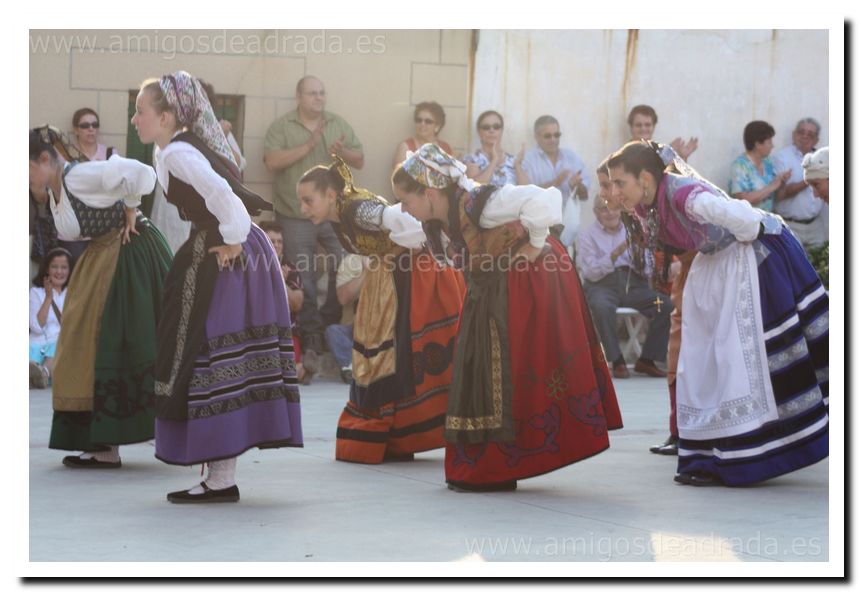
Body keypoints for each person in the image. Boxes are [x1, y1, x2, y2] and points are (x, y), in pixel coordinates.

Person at [392, 143, 622, 492]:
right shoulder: (442, 219)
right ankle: (487, 465)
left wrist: (535, 242)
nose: (404, 209)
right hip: (494, 284)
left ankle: (501, 463)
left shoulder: (479, 202)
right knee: (482, 366)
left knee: (513, 368)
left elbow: (544, 198)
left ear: (429, 193)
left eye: (406, 201)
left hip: (530, 280)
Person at [607, 140, 828, 486]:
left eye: (620, 182)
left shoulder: (686, 195)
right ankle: (705, 456)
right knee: (700, 361)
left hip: (750, 256)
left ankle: (743, 457)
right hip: (714, 262)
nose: (614, 191)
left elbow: (745, 220)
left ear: (645, 179)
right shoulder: (645, 206)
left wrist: (740, 264)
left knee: (735, 359)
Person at [133, 70, 302, 503]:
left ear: (167, 116)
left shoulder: (179, 153)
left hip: (227, 250)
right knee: (212, 354)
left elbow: (224, 196)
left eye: (140, 111)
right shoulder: (173, 149)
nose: (135, 119)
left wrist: (231, 240)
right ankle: (219, 477)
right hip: (226, 245)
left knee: (209, 352)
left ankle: (221, 480)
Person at [298, 156, 466, 464]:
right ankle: (398, 435)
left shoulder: (356, 209)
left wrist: (399, 252)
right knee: (389, 357)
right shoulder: (343, 213)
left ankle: (394, 433)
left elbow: (407, 221)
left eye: (309, 200)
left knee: (400, 355)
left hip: (414, 277)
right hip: (394, 277)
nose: (303, 209)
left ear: (331, 195)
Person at [29, 125, 172, 469]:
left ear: (44, 159)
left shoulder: (79, 176)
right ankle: (101, 443)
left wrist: (131, 207)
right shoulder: (57, 189)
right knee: (84, 343)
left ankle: (108, 445)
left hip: (128, 253)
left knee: (114, 341)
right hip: (103, 256)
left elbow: (142, 172)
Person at [264, 76, 363, 372]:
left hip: (333, 216)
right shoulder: (282, 126)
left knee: (345, 265)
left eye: (322, 93)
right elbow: (271, 161)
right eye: (312, 93)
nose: (319, 98)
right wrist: (309, 145)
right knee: (303, 275)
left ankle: (328, 323)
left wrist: (341, 152)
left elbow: (359, 159)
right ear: (299, 97)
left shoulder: (337, 123)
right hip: (296, 215)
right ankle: (311, 337)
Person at [577, 190, 673, 380]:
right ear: (596, 212)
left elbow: (648, 269)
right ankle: (617, 360)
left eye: (613, 208)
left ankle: (647, 360)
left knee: (665, 305)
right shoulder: (586, 236)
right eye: (603, 209)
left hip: (633, 285)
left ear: (620, 209)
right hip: (602, 286)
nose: (609, 213)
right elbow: (590, 272)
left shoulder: (634, 230)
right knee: (601, 307)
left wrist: (639, 257)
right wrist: (615, 253)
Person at [521, 115, 590, 247]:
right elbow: (526, 195)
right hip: (539, 230)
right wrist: (556, 182)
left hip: (568, 229)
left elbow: (584, 196)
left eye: (556, 135)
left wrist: (576, 186)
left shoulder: (572, 157)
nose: (553, 139)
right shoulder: (528, 160)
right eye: (548, 136)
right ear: (536, 136)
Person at [259, 220, 309, 383]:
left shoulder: (290, 268)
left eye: (279, 241)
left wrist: (280, 280)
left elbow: (296, 305)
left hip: (286, 332)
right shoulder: (251, 267)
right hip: (259, 332)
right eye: (272, 241)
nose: (277, 245)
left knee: (294, 373)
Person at [773, 118, 827, 248]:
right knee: (792, 261)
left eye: (810, 134)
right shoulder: (781, 157)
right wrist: (810, 179)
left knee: (821, 260)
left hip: (816, 225)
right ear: (794, 135)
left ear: (816, 140)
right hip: (790, 225)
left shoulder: (823, 158)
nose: (805, 136)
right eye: (801, 132)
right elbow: (779, 195)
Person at [29, 247, 73, 389]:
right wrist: (48, 297)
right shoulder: (36, 293)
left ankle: (44, 373)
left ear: (70, 271)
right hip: (36, 346)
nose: (59, 272)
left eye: (64, 267)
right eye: (54, 267)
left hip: (60, 349)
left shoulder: (74, 294)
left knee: (58, 346)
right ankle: (36, 376)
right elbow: (36, 327)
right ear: (47, 269)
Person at [728, 120, 791, 212]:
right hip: (747, 219)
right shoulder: (740, 166)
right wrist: (772, 186)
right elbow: (743, 199)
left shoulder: (768, 162)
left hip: (766, 218)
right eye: (769, 142)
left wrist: (781, 182)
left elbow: (777, 198)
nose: (772, 146)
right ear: (757, 144)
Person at [325, 253, 367, 384]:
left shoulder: (392, 259)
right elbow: (343, 298)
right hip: (354, 328)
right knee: (333, 331)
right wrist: (366, 272)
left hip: (382, 328)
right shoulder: (351, 261)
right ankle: (351, 367)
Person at [462, 110, 528, 186]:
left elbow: (527, 189)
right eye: (486, 127)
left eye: (496, 127)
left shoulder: (514, 160)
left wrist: (517, 165)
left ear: (502, 130)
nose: (491, 130)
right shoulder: (471, 159)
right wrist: (494, 160)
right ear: (479, 131)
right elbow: (475, 188)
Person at [393, 101, 454, 169]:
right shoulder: (405, 147)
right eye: (419, 120)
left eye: (428, 121)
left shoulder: (445, 147)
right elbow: (398, 174)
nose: (422, 124)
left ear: (437, 126)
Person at [626, 104, 698, 161]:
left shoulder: (657, 150)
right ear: (631, 127)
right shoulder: (625, 153)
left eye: (647, 125)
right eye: (638, 125)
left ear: (654, 127)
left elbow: (672, 175)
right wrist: (666, 154)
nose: (643, 128)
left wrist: (682, 157)